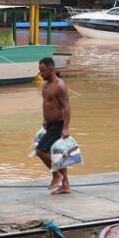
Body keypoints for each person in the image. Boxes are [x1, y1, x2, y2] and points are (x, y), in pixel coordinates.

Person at [35, 57, 72, 195]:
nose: (40, 74)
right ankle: (66, 185)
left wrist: (66, 127)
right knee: (58, 155)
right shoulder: (45, 85)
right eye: (39, 70)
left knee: (41, 150)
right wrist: (45, 119)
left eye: (43, 71)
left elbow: (66, 107)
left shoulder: (60, 85)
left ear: (51, 69)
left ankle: (56, 174)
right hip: (49, 124)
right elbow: (47, 104)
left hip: (58, 124)